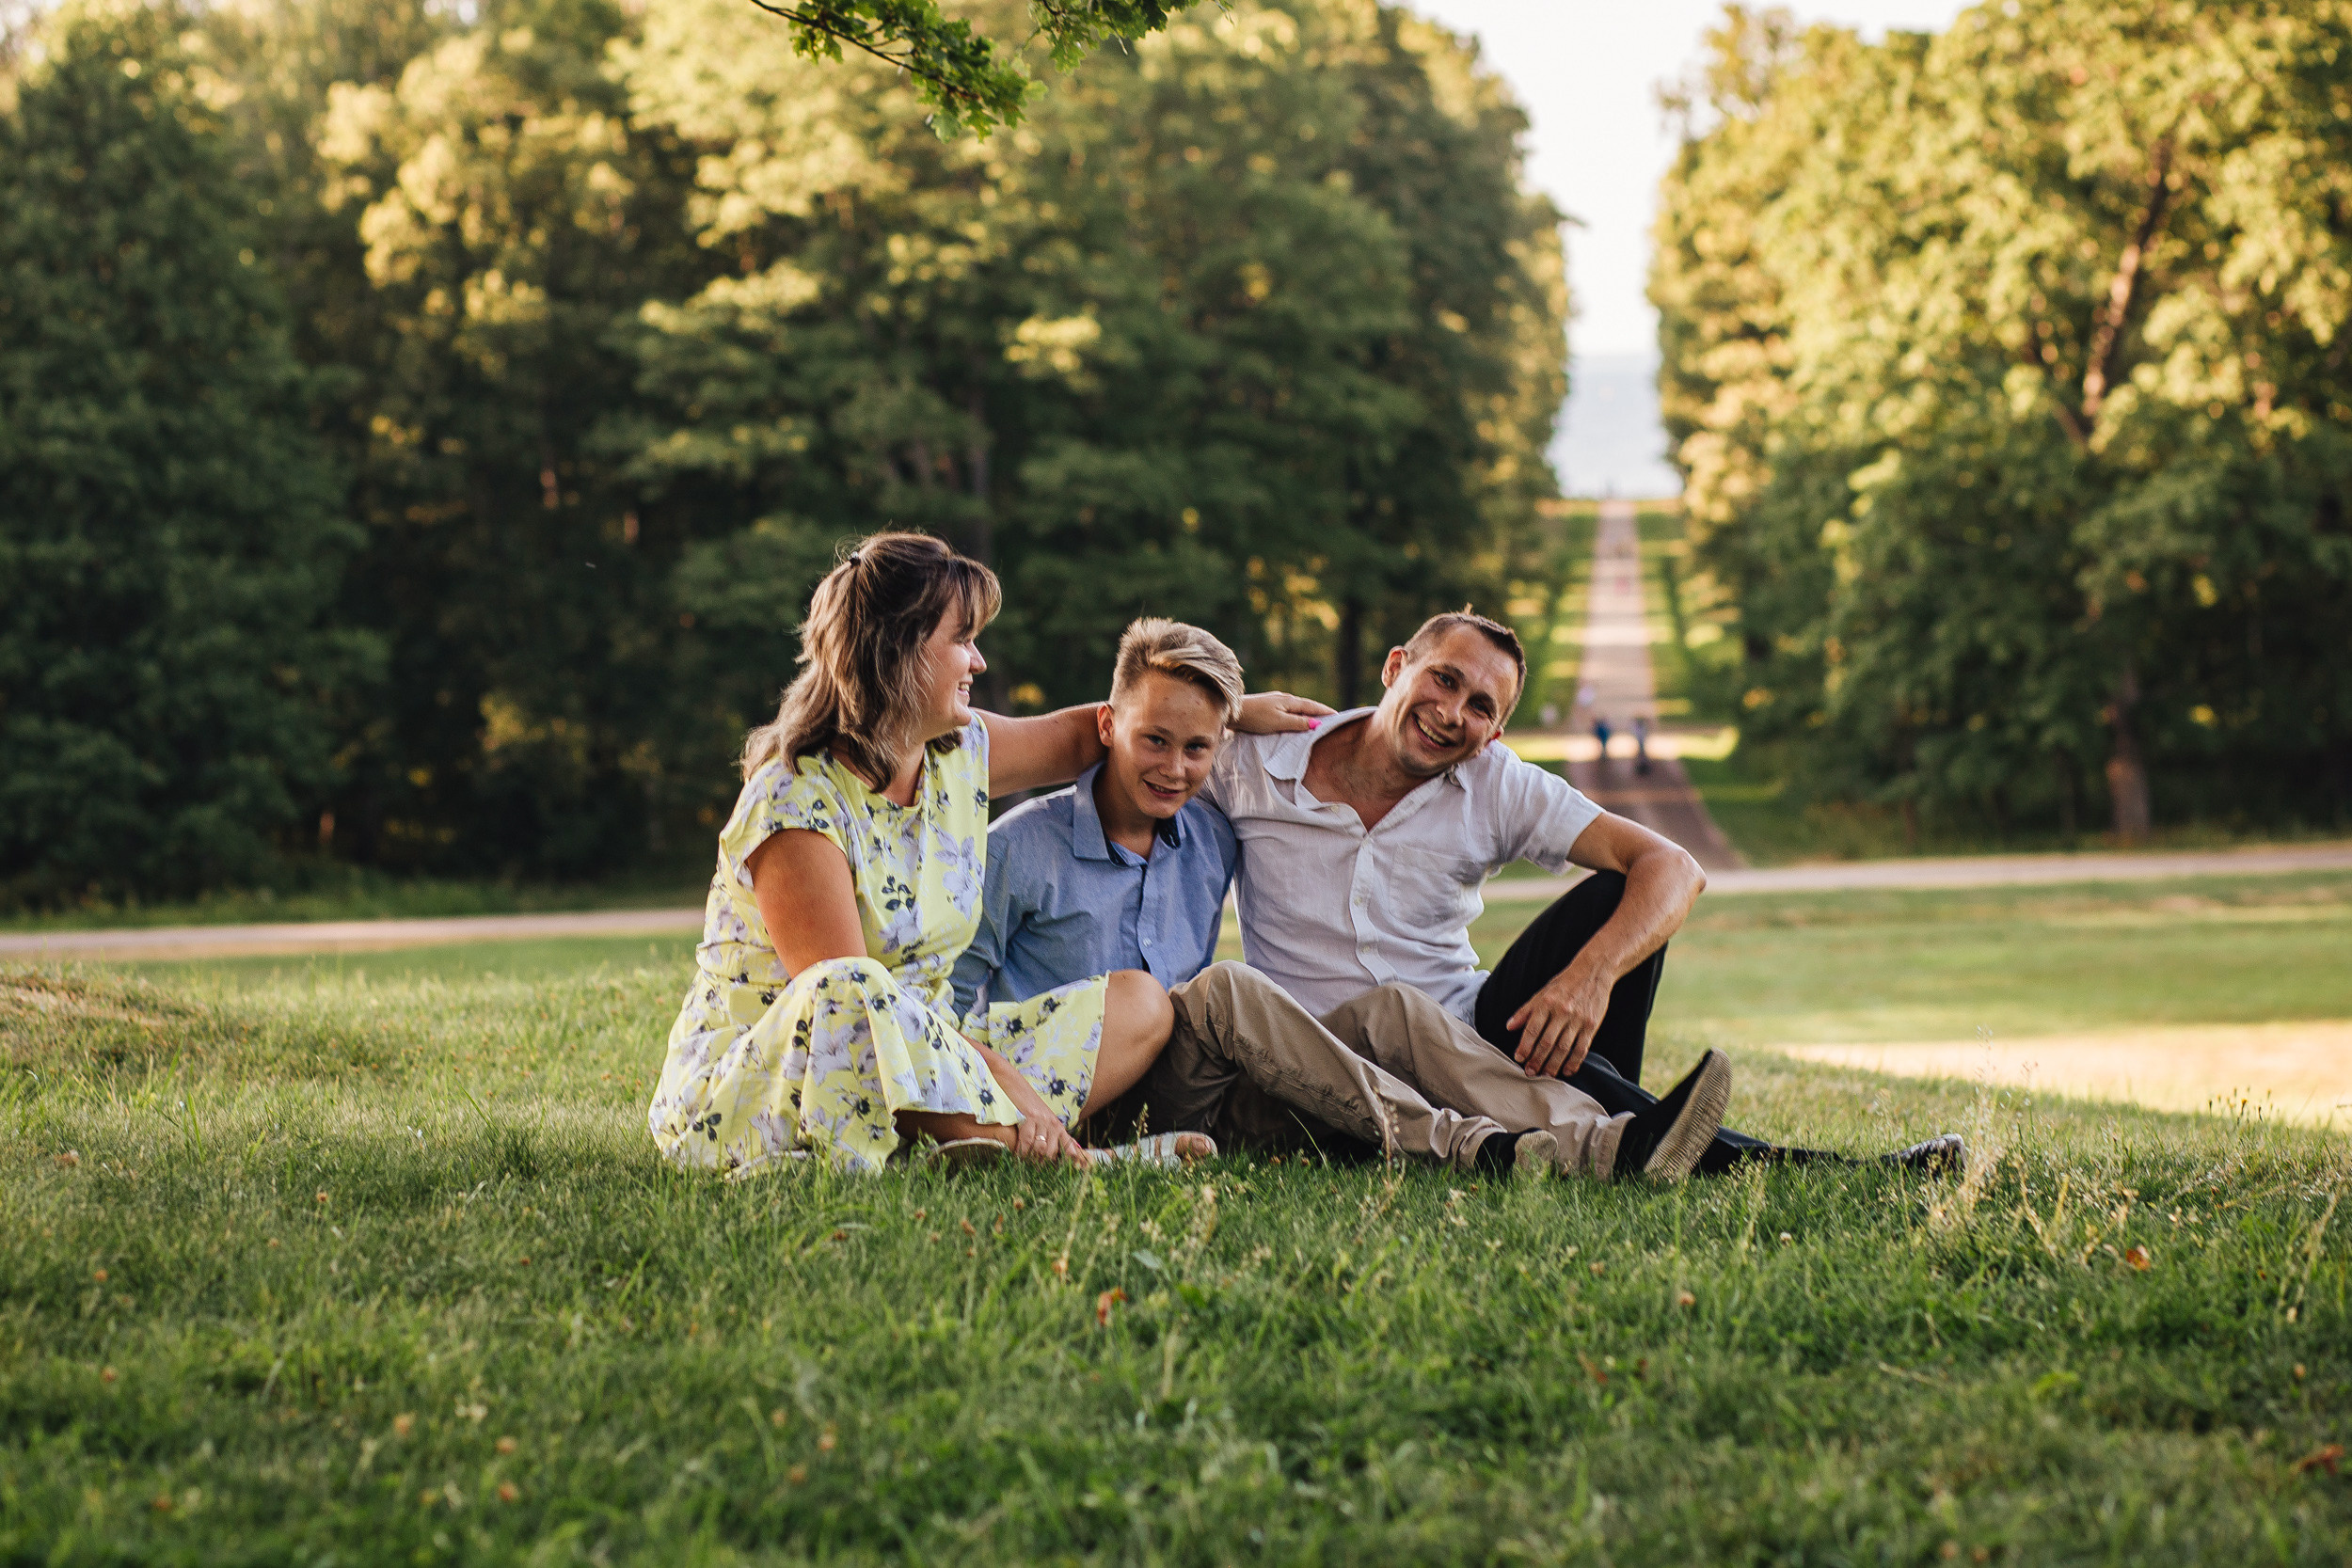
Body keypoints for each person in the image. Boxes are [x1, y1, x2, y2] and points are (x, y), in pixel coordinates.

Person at [951, 618, 1735, 1182]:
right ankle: (1482, 1149)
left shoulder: (1209, 832)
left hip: (1250, 1082)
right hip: (1098, 1101)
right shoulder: (1024, 845)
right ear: (1397, 667)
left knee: (1391, 1007)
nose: (1179, 766)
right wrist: (1027, 1113)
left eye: (1199, 747)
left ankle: (1606, 1142)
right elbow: (941, 1015)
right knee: (1224, 987)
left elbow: (1671, 865)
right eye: (1157, 741)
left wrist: (1231, 713)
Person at [645, 532, 1327, 1177]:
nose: (980, 661)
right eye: (963, 641)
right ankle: (1068, 1157)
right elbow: (856, 1019)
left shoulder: (958, 753)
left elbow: (1104, 731)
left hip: (936, 1044)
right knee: (853, 989)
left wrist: (1226, 711)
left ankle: (972, 1137)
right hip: (764, 1087)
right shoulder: (796, 803)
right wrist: (1015, 1091)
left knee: (1144, 1002)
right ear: (897, 652)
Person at [1204, 608, 1963, 1176]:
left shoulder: (1489, 782)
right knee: (1435, 1028)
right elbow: (1115, 735)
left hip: (1471, 1041)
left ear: (1495, 734)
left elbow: (1674, 866)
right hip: (1326, 1071)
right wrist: (1221, 710)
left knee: (1616, 897)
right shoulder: (1253, 758)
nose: (1452, 713)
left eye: (1481, 708)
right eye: (1444, 678)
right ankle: (1783, 1163)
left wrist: (1588, 977)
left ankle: (1617, 1115)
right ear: (1397, 665)